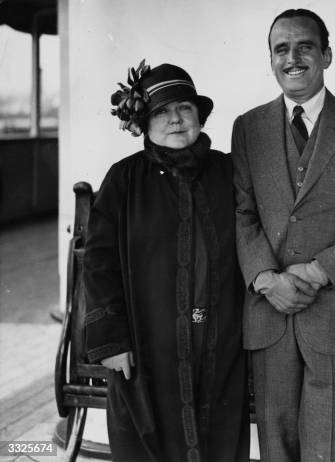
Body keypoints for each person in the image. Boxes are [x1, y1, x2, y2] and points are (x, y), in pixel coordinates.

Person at [231, 9, 335, 462]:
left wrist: (320, 269)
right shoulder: (248, 128)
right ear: (271, 60)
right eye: (281, 49)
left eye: (304, 46)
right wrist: (267, 279)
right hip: (270, 316)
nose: (293, 58)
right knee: (276, 448)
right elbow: (243, 214)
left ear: (327, 55)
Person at [84, 61, 249, 462]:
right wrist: (112, 341)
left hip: (217, 337)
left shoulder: (227, 170)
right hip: (146, 341)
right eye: (161, 111)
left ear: (199, 115)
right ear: (143, 121)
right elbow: (99, 261)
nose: (175, 119)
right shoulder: (124, 179)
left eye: (185, 108)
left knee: (218, 438)